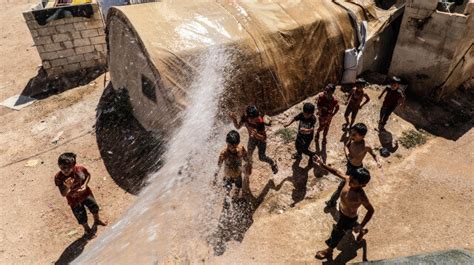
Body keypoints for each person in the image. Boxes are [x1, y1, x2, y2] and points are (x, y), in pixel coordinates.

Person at [313, 155, 374, 260]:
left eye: (354, 181)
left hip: (348, 218)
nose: (350, 181)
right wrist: (322, 164)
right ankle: (361, 231)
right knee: (350, 228)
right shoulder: (348, 179)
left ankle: (329, 251)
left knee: (337, 233)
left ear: (362, 185)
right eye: (352, 177)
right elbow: (336, 172)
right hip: (342, 212)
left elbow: (371, 210)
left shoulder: (361, 196)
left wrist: (362, 224)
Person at [325, 123, 380, 208]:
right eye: (351, 133)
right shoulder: (352, 139)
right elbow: (346, 146)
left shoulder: (366, 146)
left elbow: (374, 154)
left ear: (362, 136)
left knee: (342, 185)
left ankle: (332, 201)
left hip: (356, 169)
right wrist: (348, 155)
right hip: (350, 165)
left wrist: (378, 161)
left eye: (354, 134)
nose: (351, 135)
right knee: (346, 184)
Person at [54, 152, 107, 238]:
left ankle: (97, 220)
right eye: (62, 168)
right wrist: (67, 186)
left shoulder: (79, 170)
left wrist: (85, 185)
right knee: (81, 216)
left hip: (86, 194)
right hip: (73, 200)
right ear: (59, 166)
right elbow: (63, 194)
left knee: (94, 207)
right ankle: (87, 229)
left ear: (74, 165)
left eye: (68, 168)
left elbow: (88, 175)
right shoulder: (59, 177)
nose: (65, 170)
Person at [229, 105, 278, 174]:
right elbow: (238, 127)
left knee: (262, 157)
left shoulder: (260, 121)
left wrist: (256, 135)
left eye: (257, 118)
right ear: (248, 118)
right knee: (249, 155)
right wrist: (234, 119)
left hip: (261, 141)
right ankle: (249, 166)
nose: (256, 120)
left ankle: (272, 163)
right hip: (252, 139)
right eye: (254, 119)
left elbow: (264, 138)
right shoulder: (245, 118)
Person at [215, 130, 252, 200]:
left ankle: (235, 197)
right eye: (229, 146)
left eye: (234, 146)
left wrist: (248, 164)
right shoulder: (224, 154)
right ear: (227, 143)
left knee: (238, 187)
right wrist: (215, 176)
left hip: (238, 174)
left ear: (238, 143)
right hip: (228, 175)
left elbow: (246, 158)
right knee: (227, 190)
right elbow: (218, 166)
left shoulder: (241, 150)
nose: (232, 148)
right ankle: (227, 198)